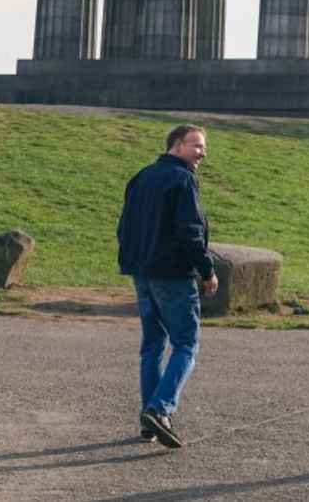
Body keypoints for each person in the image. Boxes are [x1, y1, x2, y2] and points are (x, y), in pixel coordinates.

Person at [116, 124, 219, 449]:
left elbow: (124, 228)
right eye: (197, 146)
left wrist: (134, 263)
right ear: (176, 145)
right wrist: (207, 271)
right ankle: (160, 409)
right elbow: (189, 231)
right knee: (186, 343)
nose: (202, 153)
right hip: (172, 274)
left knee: (152, 346)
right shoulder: (183, 179)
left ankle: (148, 420)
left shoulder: (141, 177)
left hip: (142, 272)